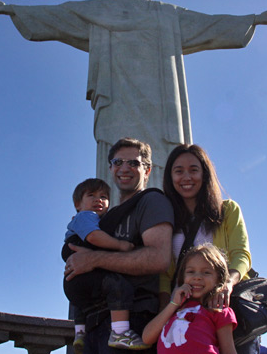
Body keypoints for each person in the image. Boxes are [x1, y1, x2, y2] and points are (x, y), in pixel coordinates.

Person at [0, 0, 267, 197]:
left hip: (158, 98)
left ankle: (166, 214)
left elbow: (207, 24)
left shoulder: (166, 14)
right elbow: (61, 15)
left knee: (164, 157)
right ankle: (117, 211)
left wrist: (253, 19)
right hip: (118, 93)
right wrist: (12, 9)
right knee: (118, 151)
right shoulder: (103, 10)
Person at [65, 138, 174, 353]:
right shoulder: (104, 216)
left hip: (132, 320)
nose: (125, 168)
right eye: (118, 162)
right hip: (92, 323)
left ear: (148, 170)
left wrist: (94, 259)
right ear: (111, 168)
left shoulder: (151, 202)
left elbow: (159, 258)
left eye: (133, 163)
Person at [160, 144, 254, 353]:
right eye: (179, 171)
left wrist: (226, 285)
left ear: (205, 173)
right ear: (170, 176)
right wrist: (166, 310)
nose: (186, 177)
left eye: (194, 170)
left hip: (225, 310)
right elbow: (166, 273)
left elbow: (242, 255)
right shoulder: (167, 221)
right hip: (185, 318)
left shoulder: (228, 210)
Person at [62, 178, 147, 352]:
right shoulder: (86, 216)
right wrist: (120, 245)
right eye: (91, 195)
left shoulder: (92, 219)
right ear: (78, 204)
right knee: (118, 286)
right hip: (82, 277)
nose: (98, 199)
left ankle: (80, 334)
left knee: (83, 304)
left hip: (75, 282)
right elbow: (93, 237)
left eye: (103, 196)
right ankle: (120, 331)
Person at [142, 244, 238, 354]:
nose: (197, 277)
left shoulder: (218, 310)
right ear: (182, 277)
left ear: (219, 279)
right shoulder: (175, 309)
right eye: (190, 272)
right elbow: (147, 338)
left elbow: (229, 350)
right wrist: (173, 304)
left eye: (206, 272)